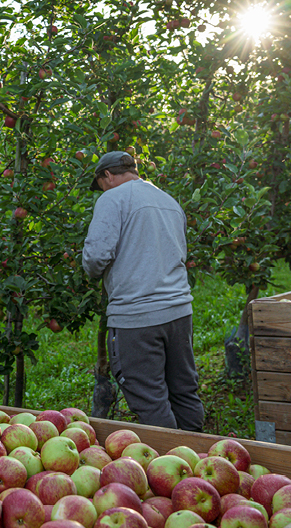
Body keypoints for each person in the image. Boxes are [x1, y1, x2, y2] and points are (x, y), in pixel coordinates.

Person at [82, 151, 205, 432]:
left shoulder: (112, 198)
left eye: (100, 184)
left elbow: (96, 257)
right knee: (184, 391)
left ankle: (172, 465)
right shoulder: (168, 200)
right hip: (179, 313)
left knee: (150, 401)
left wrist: (91, 270)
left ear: (108, 176)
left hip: (137, 317)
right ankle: (198, 460)